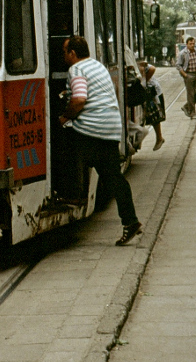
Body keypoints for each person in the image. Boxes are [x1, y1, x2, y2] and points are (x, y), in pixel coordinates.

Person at [59, 34, 142, 246]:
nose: (64, 56)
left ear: (73, 54)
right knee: (114, 177)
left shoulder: (76, 69)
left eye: (65, 52)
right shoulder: (97, 65)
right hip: (110, 127)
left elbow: (79, 100)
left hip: (92, 129)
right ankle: (130, 221)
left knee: (62, 144)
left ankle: (72, 195)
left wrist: (64, 116)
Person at [141, 61, 166, 150]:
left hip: (152, 90)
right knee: (144, 115)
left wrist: (144, 81)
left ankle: (159, 138)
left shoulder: (138, 61)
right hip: (146, 90)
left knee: (153, 114)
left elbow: (152, 68)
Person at [177, 36, 196, 117]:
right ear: (187, 44)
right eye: (190, 44)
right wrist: (185, 75)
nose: (192, 45)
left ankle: (186, 106)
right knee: (191, 94)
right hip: (188, 74)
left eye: (193, 43)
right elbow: (178, 65)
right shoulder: (183, 53)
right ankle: (192, 112)